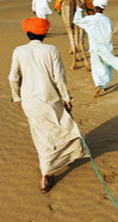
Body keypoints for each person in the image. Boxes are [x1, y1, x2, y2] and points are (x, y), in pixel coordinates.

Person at [8, 17, 88, 193]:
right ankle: (46, 173)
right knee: (62, 129)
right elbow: (59, 77)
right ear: (44, 33)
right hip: (50, 98)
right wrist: (66, 98)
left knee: (40, 134)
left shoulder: (19, 51)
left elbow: (13, 77)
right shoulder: (51, 49)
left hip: (29, 100)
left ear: (27, 33)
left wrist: (17, 98)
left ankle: (49, 169)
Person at [73, 0, 118, 97]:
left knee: (97, 67)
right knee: (107, 67)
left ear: (95, 7)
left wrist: (79, 9)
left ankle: (99, 85)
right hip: (107, 47)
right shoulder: (108, 20)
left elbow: (77, 21)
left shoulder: (91, 19)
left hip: (95, 47)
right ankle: (104, 85)